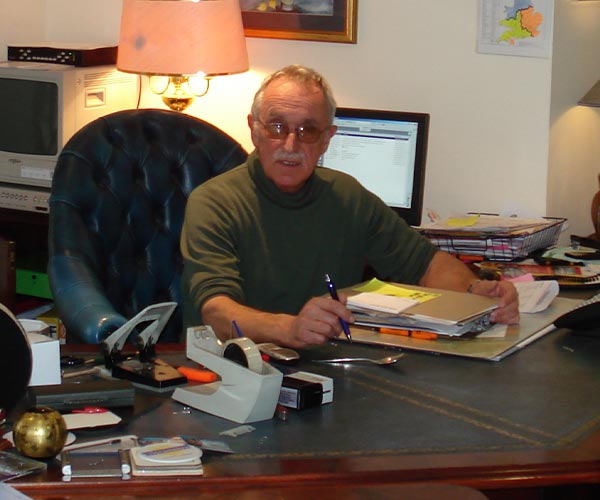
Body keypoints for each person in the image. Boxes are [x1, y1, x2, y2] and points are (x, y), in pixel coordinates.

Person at [181, 64, 519, 348]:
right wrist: (290, 328)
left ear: (328, 138)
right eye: (277, 127)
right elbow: (215, 311)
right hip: (237, 368)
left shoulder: (345, 195)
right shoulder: (215, 202)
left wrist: (476, 293)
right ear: (255, 129)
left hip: (330, 364)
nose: (290, 144)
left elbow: (424, 263)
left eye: (307, 131)